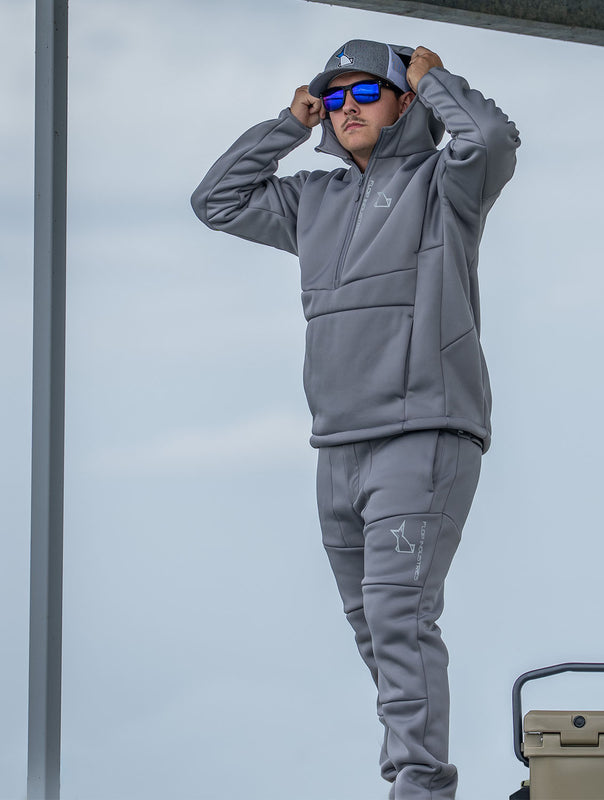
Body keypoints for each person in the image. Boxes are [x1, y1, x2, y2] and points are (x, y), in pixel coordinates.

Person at [191, 39, 519, 800]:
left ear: (404, 101)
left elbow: (491, 139)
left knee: (400, 617)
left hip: (423, 433)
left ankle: (420, 787)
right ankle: (413, 773)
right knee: (374, 628)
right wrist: (286, 123)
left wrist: (434, 81)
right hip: (337, 445)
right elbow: (218, 202)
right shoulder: (312, 199)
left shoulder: (446, 184)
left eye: (363, 94)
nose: (344, 110)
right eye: (331, 100)